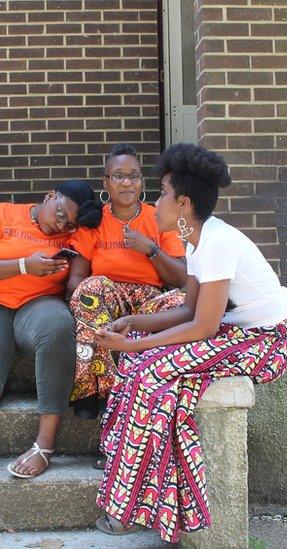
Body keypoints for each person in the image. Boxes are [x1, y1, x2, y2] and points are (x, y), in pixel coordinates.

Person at [91, 144, 287, 542]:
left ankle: (130, 507)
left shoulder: (218, 243)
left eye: (163, 193)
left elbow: (203, 326)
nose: (157, 200)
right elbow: (188, 310)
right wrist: (135, 324)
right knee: (139, 364)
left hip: (267, 343)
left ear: (183, 203)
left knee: (150, 372)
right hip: (234, 333)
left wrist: (135, 346)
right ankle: (123, 465)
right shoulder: (197, 240)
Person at [0, 180, 102, 519]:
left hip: (38, 305)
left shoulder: (72, 237)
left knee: (58, 326)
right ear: (49, 196)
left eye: (69, 224)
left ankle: (44, 446)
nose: (61, 225)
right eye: (61, 214)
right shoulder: (3, 213)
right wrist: (23, 266)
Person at [65, 144, 188, 421]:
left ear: (142, 181)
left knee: (183, 301)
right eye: (118, 176)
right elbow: (76, 278)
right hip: (106, 295)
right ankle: (94, 390)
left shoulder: (158, 217)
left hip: (150, 297)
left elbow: (181, 277)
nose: (127, 182)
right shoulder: (94, 221)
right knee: (88, 291)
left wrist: (151, 250)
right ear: (105, 183)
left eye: (134, 175)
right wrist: (98, 300)